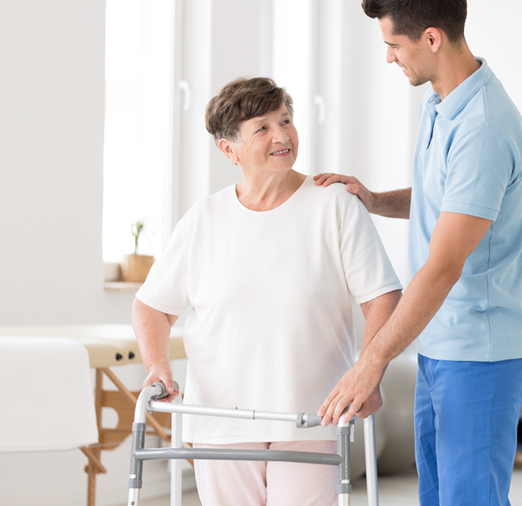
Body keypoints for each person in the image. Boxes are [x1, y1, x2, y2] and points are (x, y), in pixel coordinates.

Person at [133, 77, 402, 506]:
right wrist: (157, 364)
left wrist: (368, 372)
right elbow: (152, 306)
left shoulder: (333, 203)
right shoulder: (204, 219)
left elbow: (382, 297)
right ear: (229, 149)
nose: (282, 135)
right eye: (262, 128)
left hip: (311, 418)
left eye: (286, 120)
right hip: (220, 422)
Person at [314, 1, 522, 505]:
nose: (389, 58)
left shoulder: (483, 128)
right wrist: (374, 201)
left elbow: (443, 268)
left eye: (394, 45)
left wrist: (372, 361)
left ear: (432, 39)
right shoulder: (440, 102)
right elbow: (449, 201)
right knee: (436, 498)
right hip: (439, 342)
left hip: (479, 348)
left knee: (468, 500)